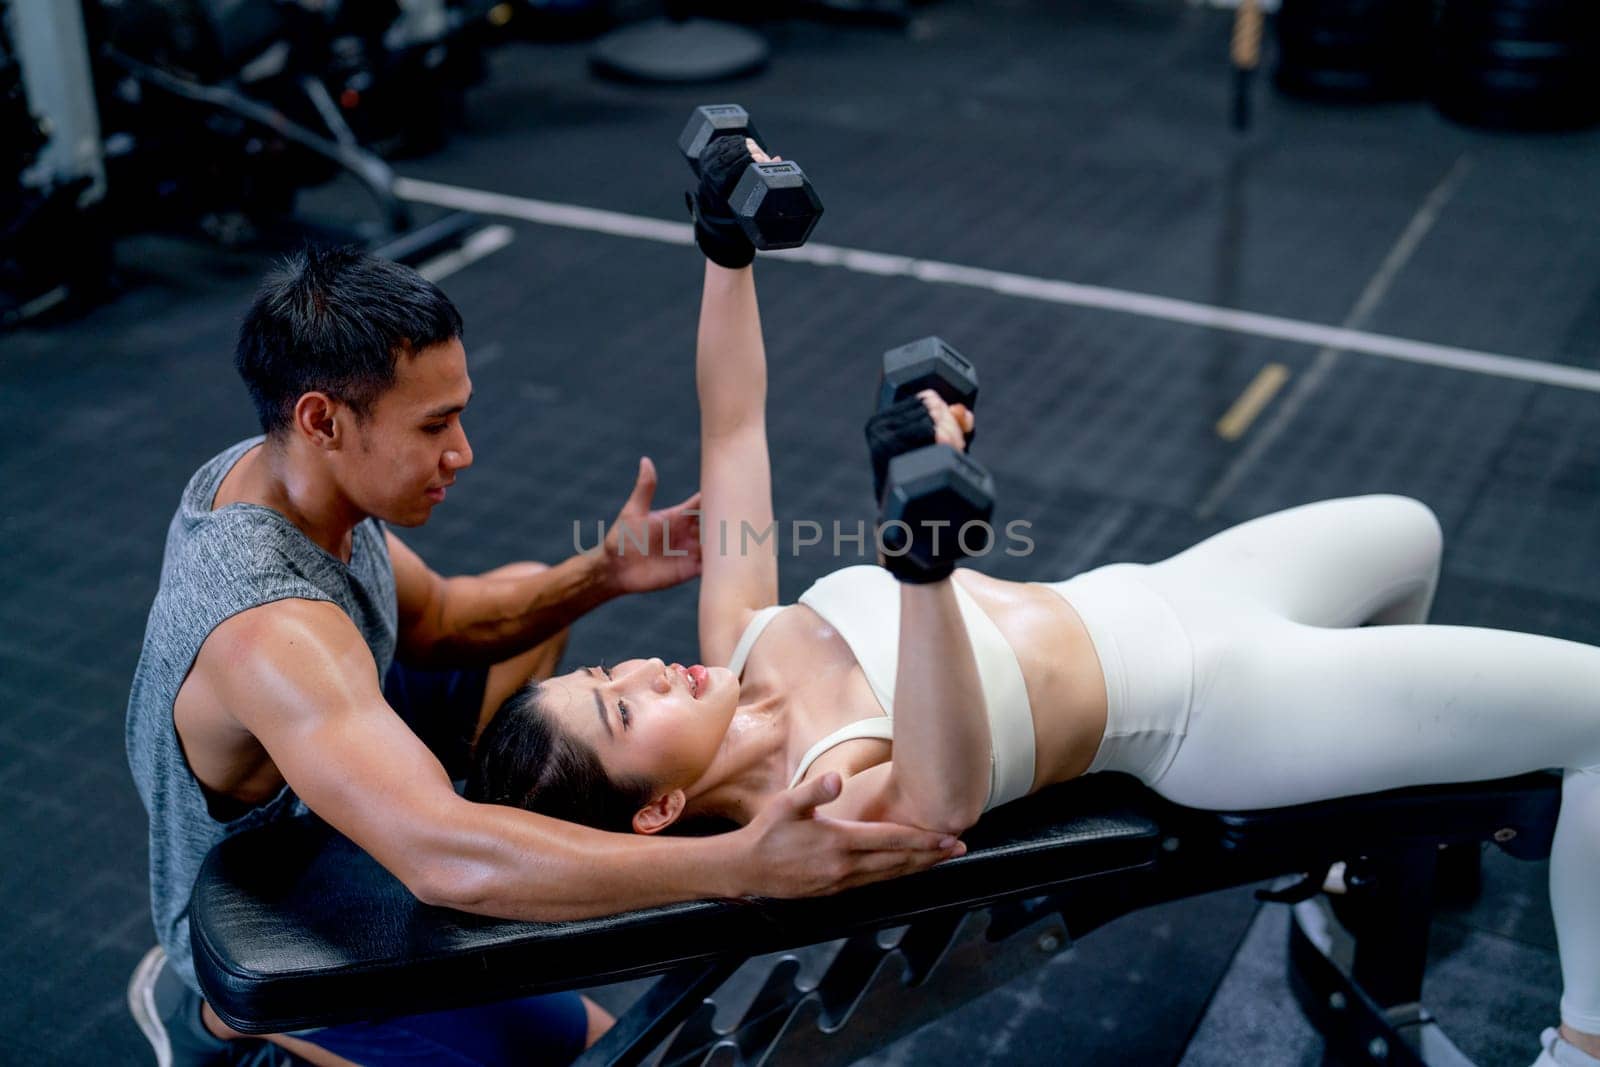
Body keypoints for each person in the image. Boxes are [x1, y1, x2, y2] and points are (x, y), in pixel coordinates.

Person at [470, 140, 1600, 1067]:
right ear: (659, 808)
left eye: (606, 668)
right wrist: (920, 560)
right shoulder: (820, 793)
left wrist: (726, 246)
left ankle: (1361, 845)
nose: (644, 669)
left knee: (1409, 529)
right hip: (1215, 708)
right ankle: (1580, 1043)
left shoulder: (740, 633)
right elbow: (943, 791)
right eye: (623, 708)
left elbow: (732, 424)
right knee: (1597, 718)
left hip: (1170, 589)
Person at [123, 246, 963, 1067]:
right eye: (434, 425)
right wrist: (738, 863)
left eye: (458, 412)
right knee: (584, 1043)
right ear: (322, 420)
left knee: (526, 603)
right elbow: (442, 858)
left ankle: (455, 823)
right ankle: (213, 1018)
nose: (463, 451)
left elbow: (445, 618)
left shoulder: (296, 480)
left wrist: (603, 573)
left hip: (348, 756)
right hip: (279, 889)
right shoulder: (269, 629)